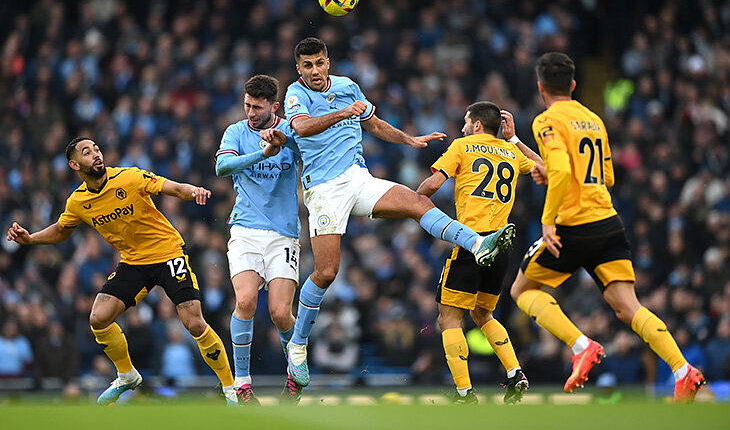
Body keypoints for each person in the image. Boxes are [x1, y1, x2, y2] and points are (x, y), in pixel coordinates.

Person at [263, 37, 516, 387]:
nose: (315, 71)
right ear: (299, 69)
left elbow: (375, 123)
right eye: (308, 65)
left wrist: (408, 139)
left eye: (320, 63)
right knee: (326, 272)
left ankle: (478, 244)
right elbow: (302, 127)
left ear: (328, 61)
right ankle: (299, 347)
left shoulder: (349, 86)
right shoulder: (296, 93)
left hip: (358, 178)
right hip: (323, 190)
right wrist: (342, 113)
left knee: (418, 202)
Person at [509, 52, 706, 402]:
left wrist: (548, 219)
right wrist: (545, 168)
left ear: (541, 87)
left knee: (522, 291)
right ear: (572, 84)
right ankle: (683, 370)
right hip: (608, 223)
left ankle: (581, 345)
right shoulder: (593, 119)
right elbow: (605, 175)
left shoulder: (547, 120)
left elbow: (563, 171)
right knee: (628, 307)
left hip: (573, 225)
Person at [6, 137, 237, 405]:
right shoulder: (78, 202)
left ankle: (230, 387)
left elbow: (169, 187)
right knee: (98, 318)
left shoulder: (129, 177)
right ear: (74, 164)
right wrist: (31, 238)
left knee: (193, 321)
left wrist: (193, 190)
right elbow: (61, 229)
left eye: (97, 149)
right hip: (133, 262)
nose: (96, 154)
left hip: (168, 252)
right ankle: (127, 375)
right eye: (87, 152)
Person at [417, 102, 543, 404]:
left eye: (465, 122)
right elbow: (543, 169)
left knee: (448, 319)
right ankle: (515, 373)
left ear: (476, 125)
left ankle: (464, 392)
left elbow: (433, 184)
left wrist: (411, 200)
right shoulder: (511, 151)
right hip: (501, 247)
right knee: (483, 313)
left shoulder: (462, 146)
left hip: (472, 242)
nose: (461, 128)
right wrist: (514, 139)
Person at [215, 74, 303, 404]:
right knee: (247, 301)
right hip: (245, 230)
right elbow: (222, 167)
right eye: (247, 105)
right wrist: (264, 153)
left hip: (282, 233)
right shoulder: (236, 132)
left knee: (281, 313)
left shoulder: (290, 129)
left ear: (274, 107)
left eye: (257, 107)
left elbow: (311, 154)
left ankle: (295, 375)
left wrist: (286, 143)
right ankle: (242, 382)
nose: (251, 113)